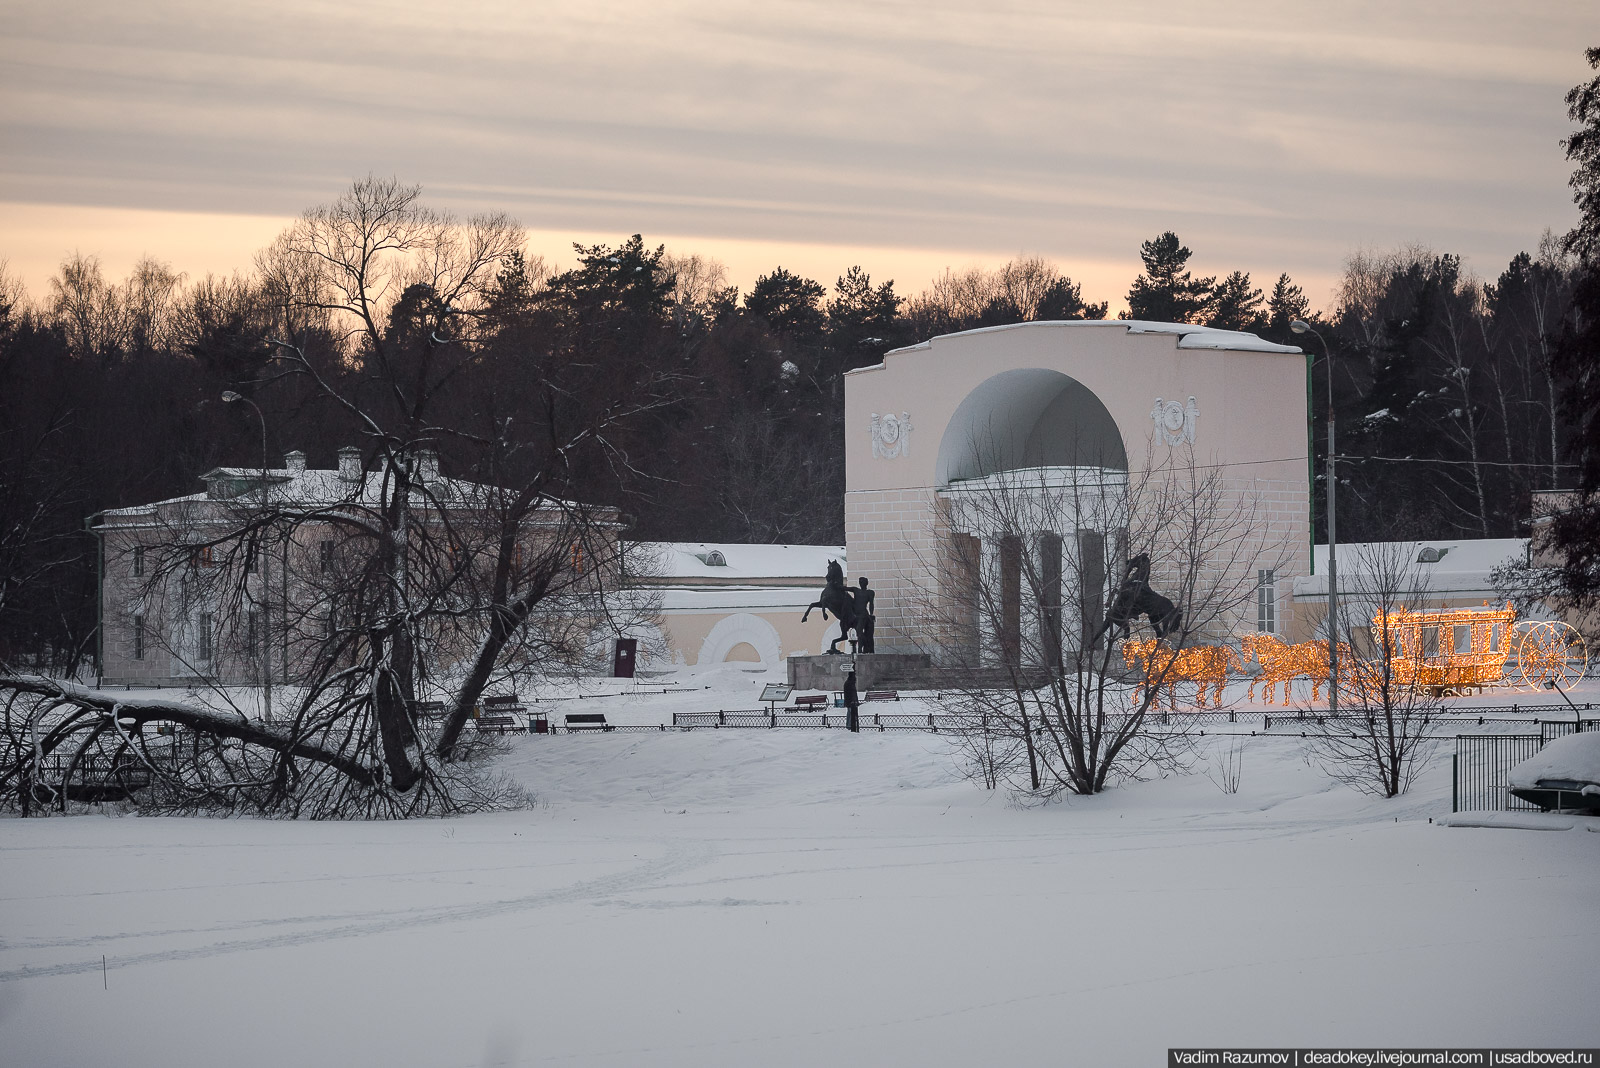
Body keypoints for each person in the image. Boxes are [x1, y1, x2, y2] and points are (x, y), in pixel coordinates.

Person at [852, 577, 877, 654]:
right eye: (860, 582)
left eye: (862, 582)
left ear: (866, 583)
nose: (861, 583)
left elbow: (871, 604)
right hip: (856, 615)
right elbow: (844, 588)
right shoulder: (855, 590)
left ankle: (861, 647)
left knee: (859, 630)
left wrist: (871, 614)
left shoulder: (869, 592)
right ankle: (861, 647)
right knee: (858, 632)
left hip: (863, 614)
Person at [843, 665, 860, 732]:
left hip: (850, 701)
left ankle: (849, 725)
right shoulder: (850, 683)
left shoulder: (849, 682)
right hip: (851, 702)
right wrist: (854, 701)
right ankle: (850, 725)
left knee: (849, 713)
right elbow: (852, 693)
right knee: (851, 714)